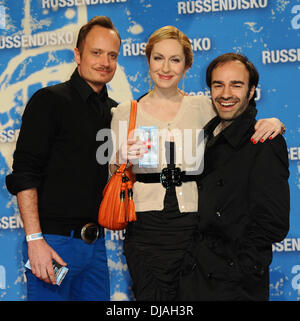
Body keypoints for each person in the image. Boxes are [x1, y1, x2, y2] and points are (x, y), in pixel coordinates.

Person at [110, 26, 284, 301]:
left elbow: (239, 117)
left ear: (187, 65)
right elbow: (112, 173)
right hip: (145, 229)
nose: (165, 67)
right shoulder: (124, 112)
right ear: (147, 60)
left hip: (194, 228)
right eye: (158, 58)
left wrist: (274, 123)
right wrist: (119, 157)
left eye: (175, 59)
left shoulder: (205, 107)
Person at [5, 16, 121, 301]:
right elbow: (25, 173)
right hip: (53, 244)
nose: (104, 62)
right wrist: (35, 240)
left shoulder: (116, 112)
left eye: (112, 55)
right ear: (78, 55)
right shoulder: (49, 101)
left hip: (96, 247)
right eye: (96, 52)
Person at [177, 53, 290, 301]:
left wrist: (237, 267)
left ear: (251, 92)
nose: (225, 94)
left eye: (236, 85)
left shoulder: (264, 141)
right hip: (196, 279)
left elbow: (274, 223)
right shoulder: (205, 137)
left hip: (237, 285)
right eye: (218, 84)